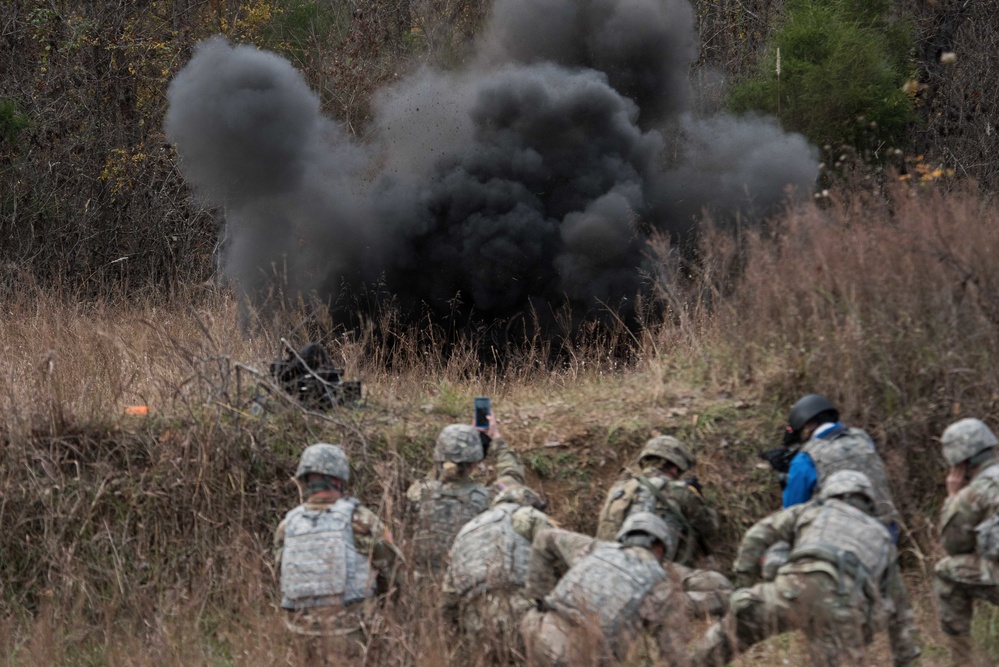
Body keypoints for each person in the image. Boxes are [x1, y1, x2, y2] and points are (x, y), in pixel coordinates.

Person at [690, 470, 894, 667]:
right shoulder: (882, 536)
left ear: (830, 494)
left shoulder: (814, 510)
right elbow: (897, 607)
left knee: (734, 630)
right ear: (868, 502)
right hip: (845, 611)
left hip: (794, 589)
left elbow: (756, 536)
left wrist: (744, 587)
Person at [778, 393, 920, 666]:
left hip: (842, 553)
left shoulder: (805, 459)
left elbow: (792, 512)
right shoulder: (863, 439)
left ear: (806, 426)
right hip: (885, 537)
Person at [520, 512, 731, 666]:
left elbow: (544, 536)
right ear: (661, 547)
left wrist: (537, 597)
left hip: (537, 635)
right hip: (583, 658)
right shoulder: (659, 584)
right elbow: (673, 655)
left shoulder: (594, 548)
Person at [274, 442, 403, 663]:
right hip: (350, 631)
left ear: (304, 480)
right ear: (339, 479)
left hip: (300, 631)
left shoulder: (287, 525)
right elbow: (394, 571)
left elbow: (280, 573)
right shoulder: (361, 519)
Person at [406, 413, 535, 573]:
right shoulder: (489, 497)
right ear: (475, 461)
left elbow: (437, 477)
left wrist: (456, 446)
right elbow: (511, 477)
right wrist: (497, 439)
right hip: (465, 581)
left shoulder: (417, 492)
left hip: (421, 584)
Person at [441, 485, 555, 661]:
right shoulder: (530, 517)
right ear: (529, 504)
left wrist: (455, 636)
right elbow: (558, 562)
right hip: (520, 608)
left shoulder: (467, 529)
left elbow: (448, 598)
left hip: (475, 616)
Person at [595, 435, 719, 566]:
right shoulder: (680, 491)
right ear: (674, 467)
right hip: (657, 574)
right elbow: (710, 528)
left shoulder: (618, 489)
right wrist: (697, 496)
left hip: (609, 566)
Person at [934, 417, 999, 665]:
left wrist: (953, 496)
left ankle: (962, 660)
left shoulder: (978, 490)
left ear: (960, 463)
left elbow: (954, 545)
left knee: (946, 571)